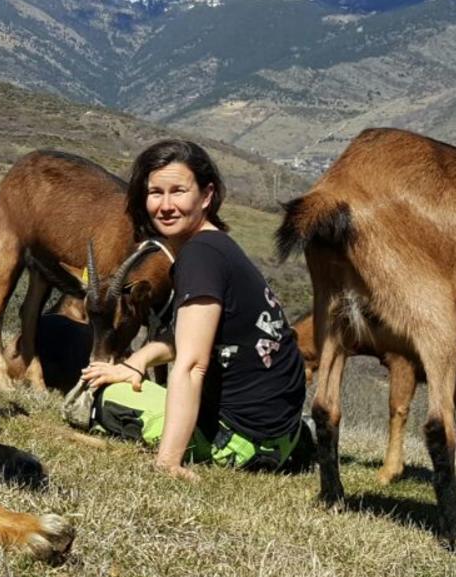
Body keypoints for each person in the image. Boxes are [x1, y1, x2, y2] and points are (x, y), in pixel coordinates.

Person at [76, 139, 310, 478]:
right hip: (283, 436)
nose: (166, 205)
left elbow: (191, 365)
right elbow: (188, 335)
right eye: (155, 192)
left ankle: (199, 444)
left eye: (179, 191)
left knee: (107, 397)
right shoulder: (219, 246)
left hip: (238, 442)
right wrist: (136, 363)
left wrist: (169, 461)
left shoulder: (199, 258)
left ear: (206, 195)